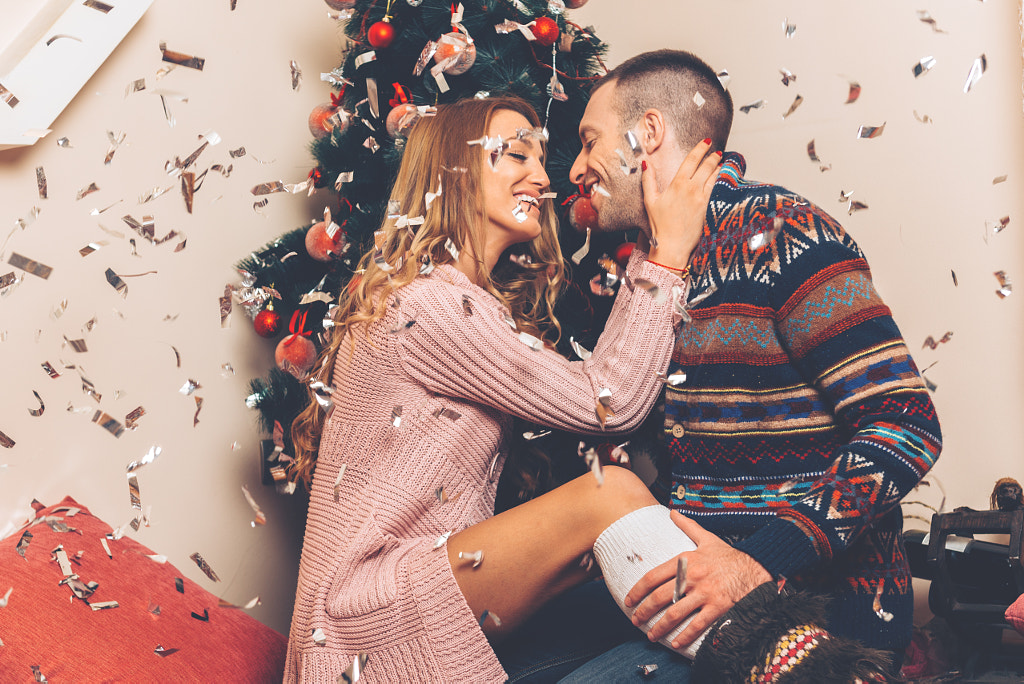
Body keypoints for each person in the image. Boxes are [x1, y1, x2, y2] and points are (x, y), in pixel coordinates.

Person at [282, 95, 724, 683]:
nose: (541, 177)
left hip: (391, 598)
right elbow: (609, 400)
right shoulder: (430, 304)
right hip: (362, 614)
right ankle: (787, 652)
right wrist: (667, 254)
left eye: (540, 159)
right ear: (454, 172)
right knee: (607, 493)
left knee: (620, 594)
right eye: (514, 154)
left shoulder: (451, 298)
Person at [560, 49, 942, 681]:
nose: (575, 167)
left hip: (811, 617)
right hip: (693, 595)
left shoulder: (785, 232)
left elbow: (907, 423)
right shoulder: (650, 265)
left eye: (589, 140)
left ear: (647, 134)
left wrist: (760, 564)